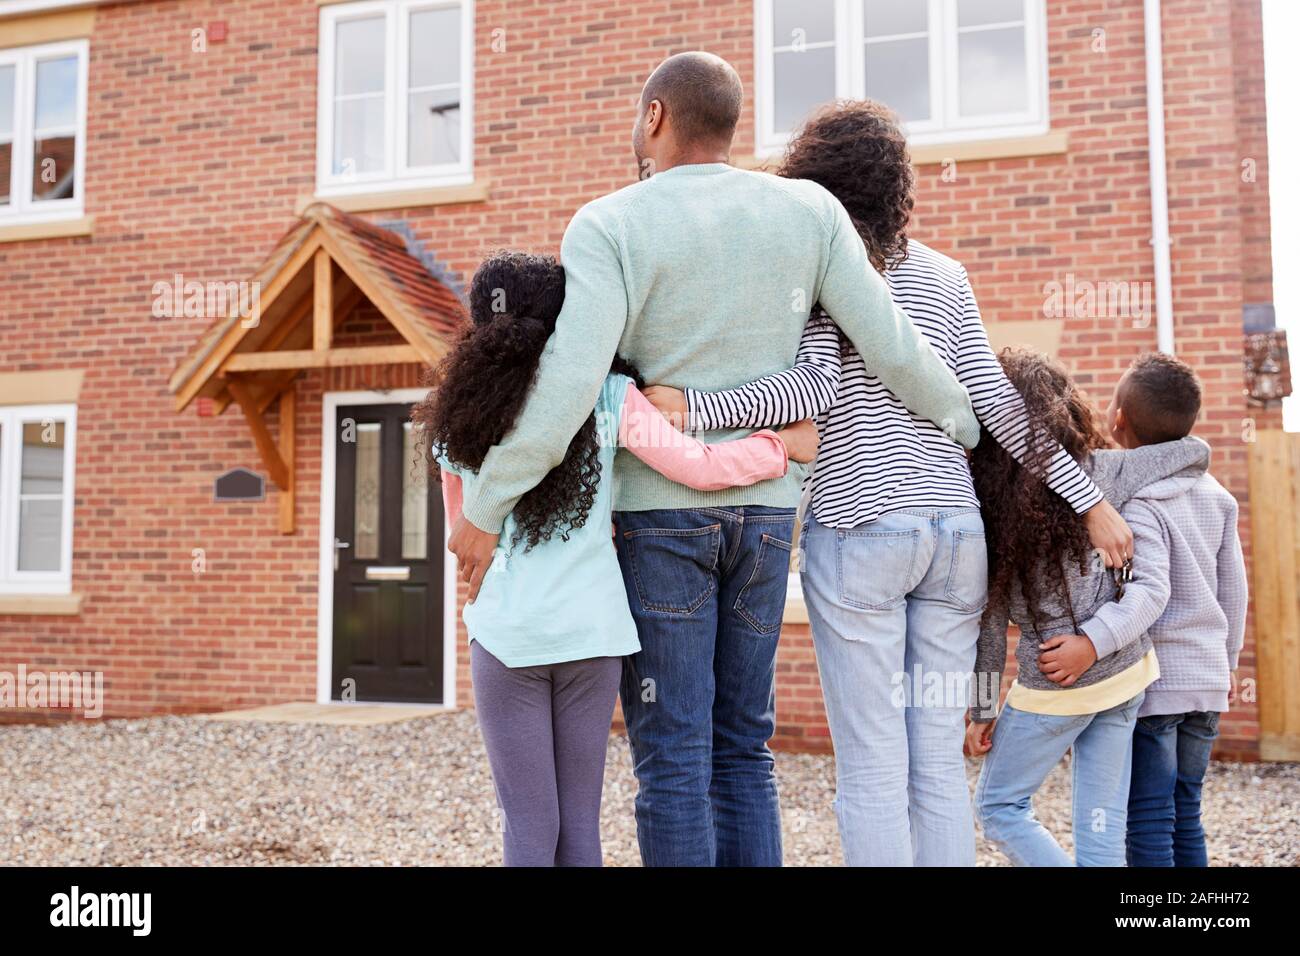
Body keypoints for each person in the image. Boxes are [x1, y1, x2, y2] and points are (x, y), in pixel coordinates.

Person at [446, 53, 981, 867]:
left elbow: (567, 389)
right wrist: (965, 425)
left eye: (637, 118)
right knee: (743, 747)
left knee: (674, 756)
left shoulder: (610, 223)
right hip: (767, 513)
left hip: (658, 522)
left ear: (655, 116)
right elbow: (894, 345)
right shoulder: (809, 212)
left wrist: (485, 511)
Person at [644, 100, 1134, 866]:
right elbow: (999, 404)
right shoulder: (946, 275)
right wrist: (1093, 501)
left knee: (874, 768)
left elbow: (810, 390)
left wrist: (697, 408)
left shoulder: (822, 267)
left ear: (815, 179)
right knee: (935, 766)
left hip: (863, 529)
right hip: (953, 539)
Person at [417, 250, 819, 866]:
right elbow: (700, 469)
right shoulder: (609, 398)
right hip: (593, 637)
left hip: (506, 639)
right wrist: (782, 447)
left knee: (529, 825)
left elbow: (465, 542)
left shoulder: (458, 420)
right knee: (580, 824)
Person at [965, 348, 1209, 867]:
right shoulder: (1105, 474)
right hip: (1127, 675)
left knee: (998, 806)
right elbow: (1193, 451)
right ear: (1068, 412)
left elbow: (988, 630)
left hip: (1059, 683)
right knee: (1101, 827)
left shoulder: (986, 509)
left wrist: (983, 709)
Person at [1108, 354, 1247, 867]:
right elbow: (1235, 591)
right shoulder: (1218, 497)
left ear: (1118, 418)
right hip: (1208, 680)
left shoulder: (1140, 501)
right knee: (1186, 809)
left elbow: (1152, 593)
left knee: (1146, 814)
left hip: (1157, 687)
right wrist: (1228, 662)